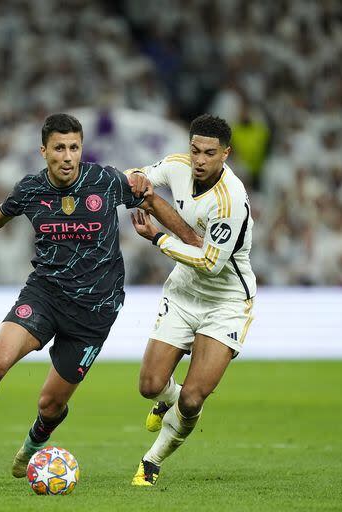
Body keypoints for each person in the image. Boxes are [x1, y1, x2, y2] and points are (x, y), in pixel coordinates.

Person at [0, 113, 201, 488]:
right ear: (44, 151)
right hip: (45, 294)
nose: (68, 156)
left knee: (50, 405)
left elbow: (150, 199)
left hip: (94, 311)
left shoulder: (105, 180)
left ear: (82, 149)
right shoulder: (30, 189)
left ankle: (33, 443)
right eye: (60, 148)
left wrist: (190, 239)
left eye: (74, 147)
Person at [129, 114, 256, 486]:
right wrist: (135, 175)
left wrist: (157, 239)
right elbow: (141, 176)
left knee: (192, 399)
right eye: (195, 150)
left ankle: (152, 461)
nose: (200, 160)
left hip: (226, 301)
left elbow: (211, 263)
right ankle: (165, 398)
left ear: (226, 154)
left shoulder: (231, 201)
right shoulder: (179, 165)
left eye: (210, 153)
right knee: (150, 385)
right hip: (184, 292)